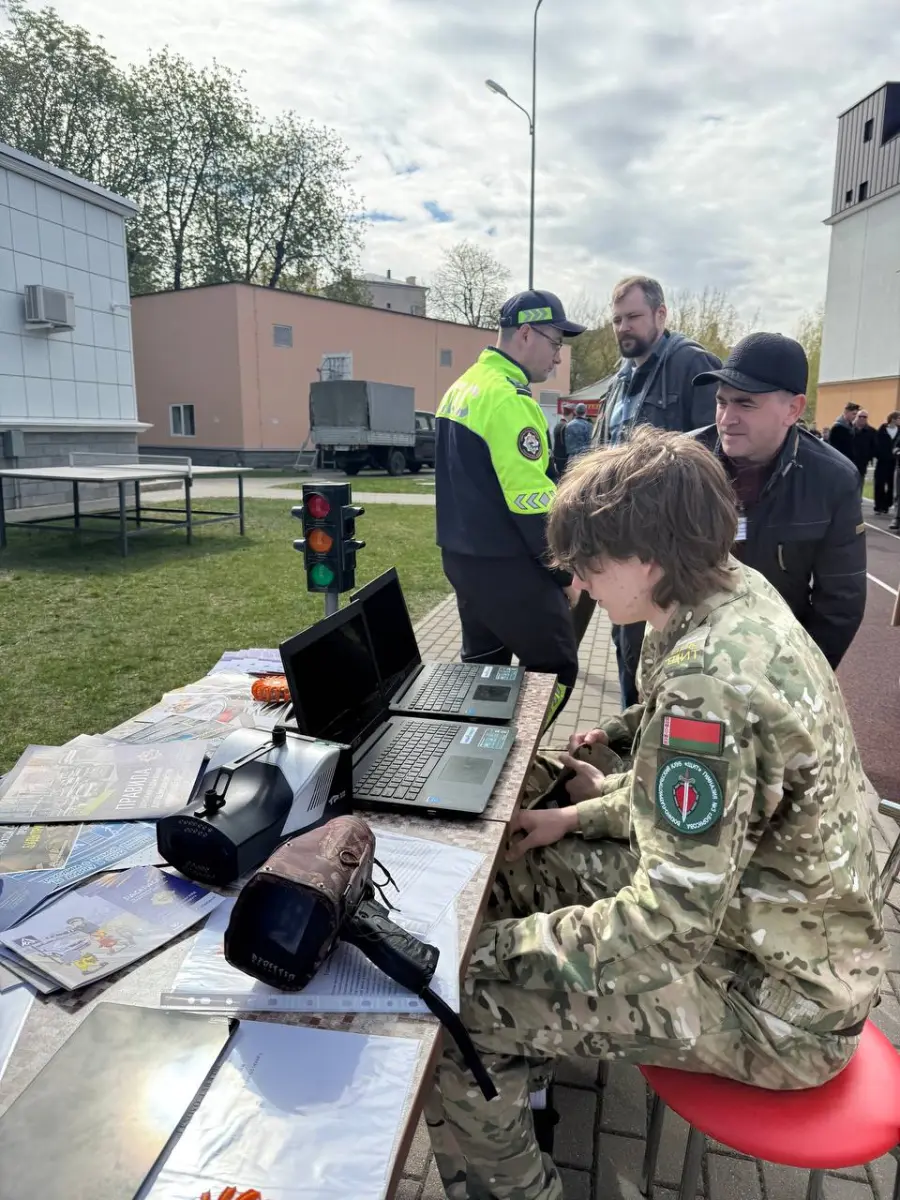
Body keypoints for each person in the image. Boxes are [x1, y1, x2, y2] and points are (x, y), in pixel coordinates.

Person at [425, 428, 887, 1200]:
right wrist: (575, 818)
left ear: (649, 557)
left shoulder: (712, 686)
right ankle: (520, 1074)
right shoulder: (721, 592)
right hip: (763, 929)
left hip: (781, 1008)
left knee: (457, 1006)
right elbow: (688, 794)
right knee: (521, 875)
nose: (577, 581)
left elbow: (665, 929)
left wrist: (479, 954)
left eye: (589, 562)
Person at [435, 289, 586, 726]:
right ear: (525, 333)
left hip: (463, 560)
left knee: (483, 670)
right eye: (555, 342)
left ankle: (477, 752)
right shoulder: (508, 400)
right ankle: (515, 755)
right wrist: (564, 574)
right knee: (555, 668)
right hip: (507, 566)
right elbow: (533, 506)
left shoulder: (463, 387)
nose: (557, 357)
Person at [574, 275, 723, 706]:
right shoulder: (621, 378)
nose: (623, 327)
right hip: (619, 540)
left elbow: (712, 455)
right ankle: (632, 730)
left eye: (633, 317)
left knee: (667, 656)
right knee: (627, 650)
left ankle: (655, 731)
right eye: (617, 319)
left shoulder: (692, 364)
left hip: (666, 548)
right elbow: (602, 451)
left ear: (661, 314)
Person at [692, 332, 866, 669]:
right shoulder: (682, 461)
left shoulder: (833, 480)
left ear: (793, 409)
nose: (727, 418)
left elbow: (841, 603)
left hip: (776, 660)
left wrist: (796, 678)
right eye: (722, 402)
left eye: (745, 404)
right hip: (686, 655)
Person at [874, 411, 900, 514]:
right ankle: (878, 506)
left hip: (895, 461)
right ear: (893, 419)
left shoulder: (899, 431)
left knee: (892, 485)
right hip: (882, 461)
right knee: (880, 483)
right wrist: (879, 454)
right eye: (898, 418)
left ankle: (887, 505)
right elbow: (876, 444)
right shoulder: (882, 430)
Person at [550, 407, 570, 480]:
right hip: (563, 455)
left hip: (557, 453)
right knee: (564, 475)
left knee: (559, 474)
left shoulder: (557, 425)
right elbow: (566, 442)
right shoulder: (566, 426)